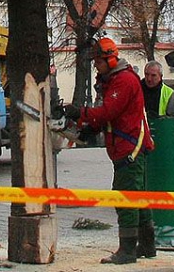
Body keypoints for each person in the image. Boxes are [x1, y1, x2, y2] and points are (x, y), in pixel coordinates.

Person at [64, 37, 154, 265]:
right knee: (138, 197)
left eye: (98, 61)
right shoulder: (114, 80)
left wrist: (80, 114)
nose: (96, 65)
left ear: (110, 60)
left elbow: (108, 111)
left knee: (126, 197)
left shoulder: (123, 81)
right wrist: (89, 128)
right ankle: (146, 244)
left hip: (129, 147)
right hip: (126, 145)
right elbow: (110, 116)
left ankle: (127, 250)